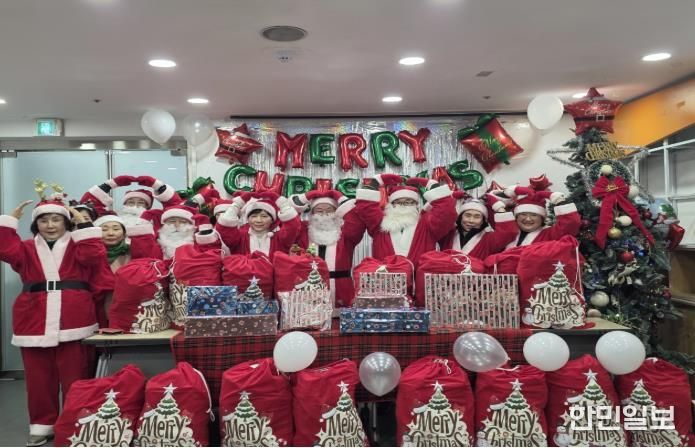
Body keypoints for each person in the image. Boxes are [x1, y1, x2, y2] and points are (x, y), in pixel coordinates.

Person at [0, 196, 106, 446]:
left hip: (74, 315)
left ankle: (74, 422)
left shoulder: (78, 245)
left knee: (75, 375)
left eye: (56, 219)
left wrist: (83, 224)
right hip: (33, 316)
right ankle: (42, 425)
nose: (50, 225)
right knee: (38, 378)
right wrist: (9, 222)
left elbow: (94, 256)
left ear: (65, 222)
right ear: (36, 224)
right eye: (44, 220)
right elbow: (4, 250)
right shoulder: (26, 248)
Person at [355, 174, 456, 264]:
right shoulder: (380, 224)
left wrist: (433, 186)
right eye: (398, 202)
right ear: (391, 204)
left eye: (409, 202)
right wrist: (375, 182)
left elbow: (446, 211)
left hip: (418, 277)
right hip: (385, 277)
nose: (403, 205)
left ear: (416, 205)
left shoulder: (427, 225)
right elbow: (365, 208)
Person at [292, 189, 366, 307]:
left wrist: (341, 198)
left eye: (329, 210)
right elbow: (290, 219)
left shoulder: (345, 234)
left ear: (337, 212)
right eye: (319, 211)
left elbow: (356, 222)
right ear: (312, 214)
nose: (324, 214)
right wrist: (306, 197)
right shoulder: (303, 232)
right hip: (309, 286)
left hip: (341, 288)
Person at [216, 191, 301, 258]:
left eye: (264, 216)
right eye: (254, 216)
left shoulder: (280, 239)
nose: (259, 220)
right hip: (242, 275)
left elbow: (293, 225)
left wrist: (282, 203)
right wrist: (237, 204)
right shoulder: (239, 238)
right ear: (248, 219)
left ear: (272, 220)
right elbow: (224, 227)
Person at [439, 191, 517, 259]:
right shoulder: (448, 235)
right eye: (467, 215)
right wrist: (451, 197)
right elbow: (436, 219)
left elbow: (509, 232)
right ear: (460, 217)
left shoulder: (488, 239)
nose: (471, 220)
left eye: (477, 217)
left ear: (483, 221)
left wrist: (498, 206)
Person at [501, 185, 580, 248]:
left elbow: (571, 224)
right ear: (516, 217)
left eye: (534, 215)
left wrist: (558, 200)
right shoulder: (508, 233)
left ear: (542, 218)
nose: (528, 219)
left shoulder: (549, 234)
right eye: (523, 214)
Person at [79, 175, 181, 225]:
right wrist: (108, 185)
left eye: (141, 203)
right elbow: (87, 208)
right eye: (131, 202)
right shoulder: (112, 218)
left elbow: (177, 209)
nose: (135, 205)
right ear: (124, 204)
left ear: (148, 207)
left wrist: (158, 186)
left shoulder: (156, 220)